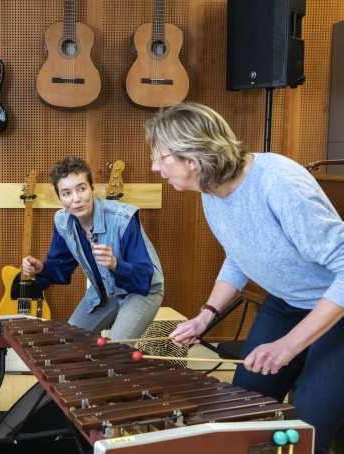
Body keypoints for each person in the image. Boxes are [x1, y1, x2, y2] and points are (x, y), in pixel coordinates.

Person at [145, 102, 344, 454]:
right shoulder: (211, 190)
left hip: (336, 307)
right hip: (287, 302)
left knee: (307, 423)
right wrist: (206, 315)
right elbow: (238, 256)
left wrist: (289, 345)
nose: (155, 167)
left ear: (191, 158)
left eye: (161, 158)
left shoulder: (279, 183)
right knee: (241, 405)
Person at [21, 156, 164, 340]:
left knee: (115, 352)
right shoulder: (62, 221)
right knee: (68, 342)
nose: (76, 199)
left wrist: (115, 264)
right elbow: (60, 267)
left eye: (81, 189)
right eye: (66, 193)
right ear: (59, 198)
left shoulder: (123, 218)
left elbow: (145, 275)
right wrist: (41, 268)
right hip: (105, 290)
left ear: (92, 188)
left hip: (142, 291)